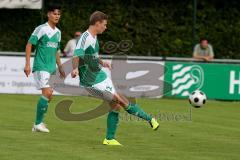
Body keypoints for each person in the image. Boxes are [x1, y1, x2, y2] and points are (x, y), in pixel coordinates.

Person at [71, 11, 159, 146]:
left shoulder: (94, 38)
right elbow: (76, 54)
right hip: (91, 80)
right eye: (104, 24)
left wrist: (102, 62)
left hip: (100, 75)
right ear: (97, 23)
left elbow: (92, 55)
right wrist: (75, 68)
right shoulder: (85, 37)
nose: (105, 27)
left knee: (116, 105)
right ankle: (149, 119)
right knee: (120, 100)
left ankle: (109, 138)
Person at [24, 4, 66, 133]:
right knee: (47, 93)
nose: (57, 16)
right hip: (41, 66)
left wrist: (60, 67)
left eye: (58, 14)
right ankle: (37, 124)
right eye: (54, 13)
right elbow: (29, 44)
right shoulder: (41, 29)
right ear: (48, 14)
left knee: (49, 95)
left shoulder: (58, 32)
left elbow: (56, 51)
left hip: (51, 68)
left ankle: (38, 123)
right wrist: (27, 64)